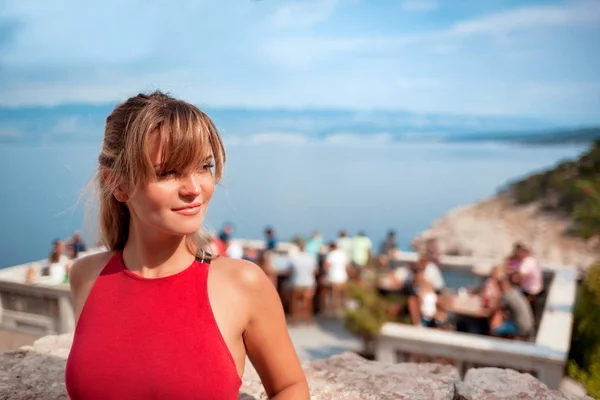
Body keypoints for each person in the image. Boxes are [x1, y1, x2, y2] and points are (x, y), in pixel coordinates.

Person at [65, 91, 308, 399]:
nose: (194, 189)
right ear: (118, 184)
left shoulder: (243, 285)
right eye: (168, 172)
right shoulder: (85, 276)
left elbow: (290, 387)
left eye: (204, 166)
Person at [288, 240, 318, 325]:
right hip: (309, 284)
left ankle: (294, 320)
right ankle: (308, 320)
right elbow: (315, 271)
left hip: (297, 284)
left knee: (294, 300)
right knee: (308, 301)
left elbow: (289, 271)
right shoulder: (311, 258)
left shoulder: (294, 258)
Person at [320, 241, 349, 316]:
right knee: (342, 294)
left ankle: (331, 309)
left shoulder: (330, 255)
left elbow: (326, 266)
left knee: (331, 294)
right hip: (343, 277)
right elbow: (347, 265)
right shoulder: (343, 254)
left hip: (333, 278)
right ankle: (341, 308)